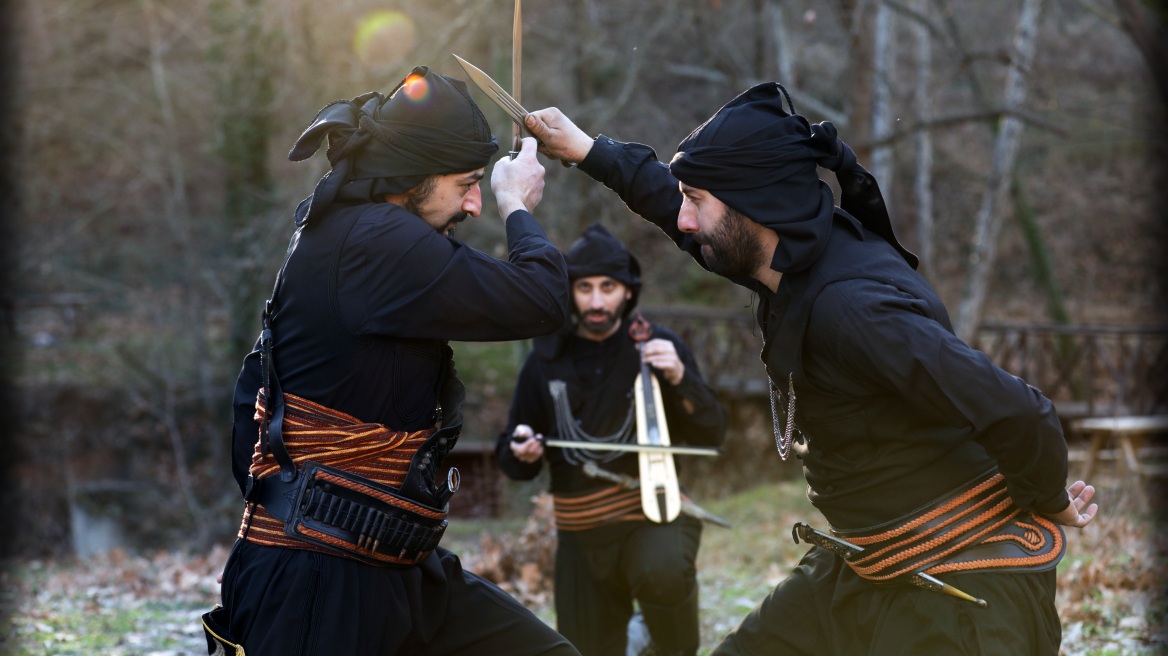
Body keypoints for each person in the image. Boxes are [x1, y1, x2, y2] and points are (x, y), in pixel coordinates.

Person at [515, 83, 1099, 655]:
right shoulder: (779, 256)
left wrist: (1046, 497)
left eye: (696, 201)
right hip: (866, 562)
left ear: (754, 205)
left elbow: (1020, 411)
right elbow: (673, 206)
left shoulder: (853, 309)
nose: (685, 221)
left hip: (961, 585)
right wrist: (589, 150)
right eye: (688, 198)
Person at [203, 66, 580, 655]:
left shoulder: (359, 233)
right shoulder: (374, 241)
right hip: (317, 580)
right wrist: (517, 205)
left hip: (395, 561)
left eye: (483, 185)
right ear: (413, 177)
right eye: (467, 183)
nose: (475, 204)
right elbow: (542, 302)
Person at [497, 222, 728, 656]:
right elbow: (514, 457)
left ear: (628, 291)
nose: (597, 301)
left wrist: (679, 378)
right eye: (585, 288)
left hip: (653, 514)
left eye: (608, 287)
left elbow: (712, 433)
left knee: (663, 572)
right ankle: (636, 638)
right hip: (580, 535)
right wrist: (522, 447)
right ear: (570, 291)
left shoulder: (658, 345)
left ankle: (661, 639)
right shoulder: (546, 360)